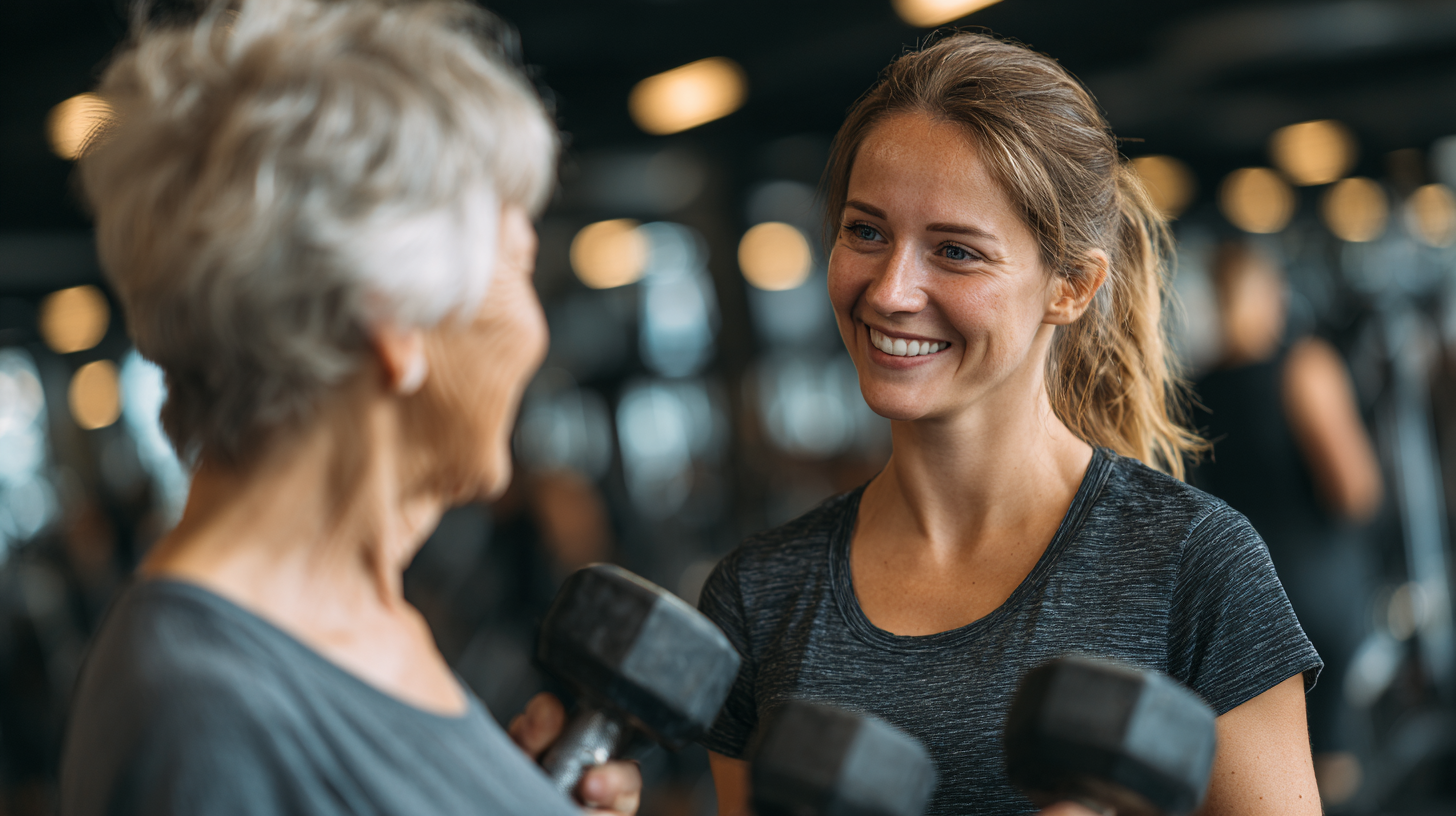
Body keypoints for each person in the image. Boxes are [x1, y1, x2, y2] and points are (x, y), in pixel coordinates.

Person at [699, 33, 1323, 816]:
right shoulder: (758, 598)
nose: (891, 291)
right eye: (866, 232)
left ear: (1071, 286)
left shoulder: (1194, 568)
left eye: (956, 251)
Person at [58, 1, 640, 814]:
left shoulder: (365, 620)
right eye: (519, 265)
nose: (536, 336)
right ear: (394, 319)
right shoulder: (203, 710)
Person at [1193, 242, 1383, 807]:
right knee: (1330, 763)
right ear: (1265, 294)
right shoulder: (1303, 365)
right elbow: (1355, 491)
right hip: (1313, 589)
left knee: (1254, 768)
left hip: (1233, 598)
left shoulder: (1192, 388)